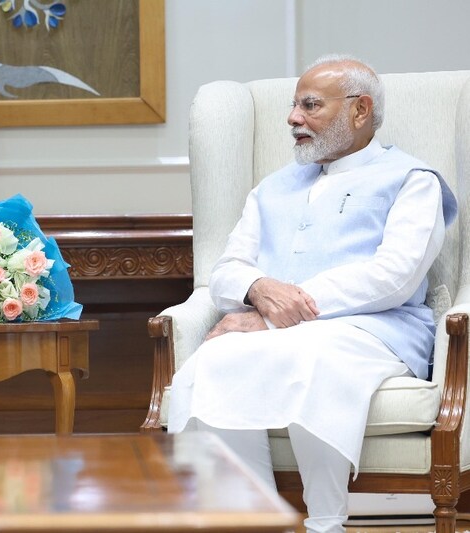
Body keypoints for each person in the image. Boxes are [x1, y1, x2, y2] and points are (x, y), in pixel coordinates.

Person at [167, 54, 457, 533]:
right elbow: (226, 271)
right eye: (293, 106)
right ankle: (256, 518)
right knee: (213, 360)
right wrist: (258, 288)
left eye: (310, 105)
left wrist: (282, 312)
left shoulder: (412, 180)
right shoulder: (271, 189)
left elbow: (395, 275)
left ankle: (326, 523)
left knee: (309, 352)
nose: (292, 118)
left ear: (360, 110)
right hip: (279, 330)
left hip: (378, 330)